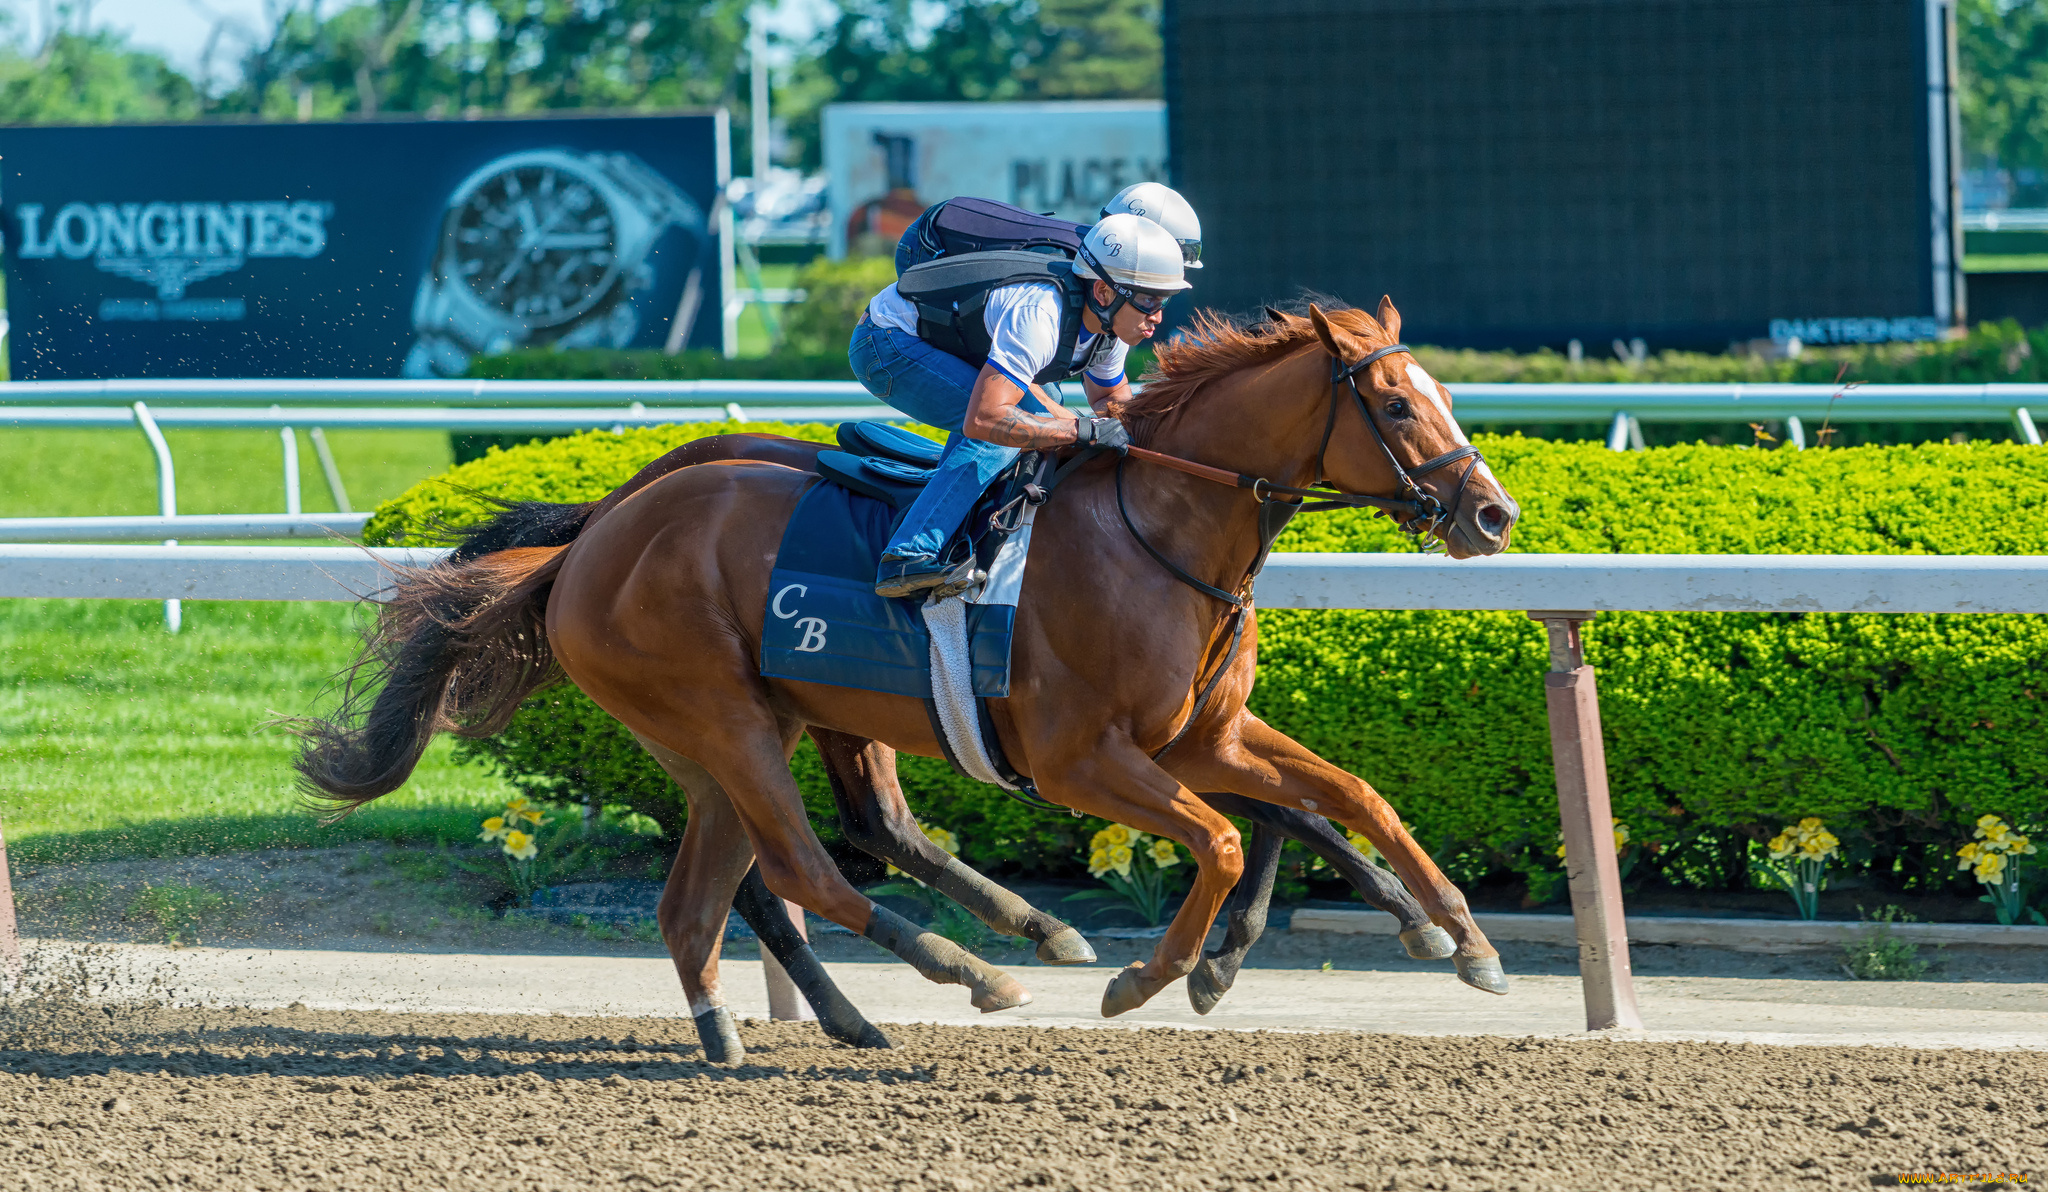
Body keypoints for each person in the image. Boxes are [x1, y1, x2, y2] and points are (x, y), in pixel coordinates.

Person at [849, 213, 1194, 599]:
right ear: (1102, 292)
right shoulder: (1041, 314)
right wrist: (1080, 430)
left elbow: (1110, 402)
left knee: (1048, 408)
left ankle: (956, 520)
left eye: (1164, 300)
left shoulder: (1110, 331)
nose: (1158, 316)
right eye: (1148, 300)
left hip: (938, 342)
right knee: (1007, 431)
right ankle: (908, 555)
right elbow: (986, 419)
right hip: (885, 342)